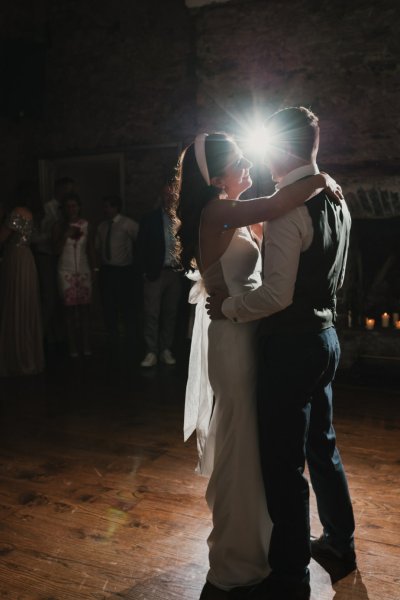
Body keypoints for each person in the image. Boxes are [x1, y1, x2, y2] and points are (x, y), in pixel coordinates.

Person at [172, 131, 343, 600]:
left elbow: (273, 233)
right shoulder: (218, 211)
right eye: (241, 162)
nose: (249, 167)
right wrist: (320, 175)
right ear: (217, 175)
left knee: (255, 441)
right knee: (241, 436)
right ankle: (236, 553)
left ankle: (262, 541)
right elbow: (276, 203)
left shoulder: (237, 218)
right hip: (233, 336)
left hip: (249, 328)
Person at [137, 177, 183, 367]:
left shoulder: (183, 218)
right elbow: (141, 247)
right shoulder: (150, 219)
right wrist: (143, 272)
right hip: (156, 271)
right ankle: (151, 351)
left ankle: (165, 349)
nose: (168, 197)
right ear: (161, 196)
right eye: (165, 194)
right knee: (151, 313)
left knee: (171, 313)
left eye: (171, 194)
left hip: (175, 273)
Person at [0, 182, 44, 377]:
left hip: (16, 258)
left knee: (15, 303)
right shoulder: (32, 213)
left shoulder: (18, 211)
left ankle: (16, 357)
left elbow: (2, 237)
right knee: (25, 305)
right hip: (27, 258)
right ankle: (28, 355)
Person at [32, 176, 76, 351]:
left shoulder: (68, 210)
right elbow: (35, 236)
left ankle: (56, 337)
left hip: (62, 257)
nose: (70, 193)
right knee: (49, 298)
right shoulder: (45, 208)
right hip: (46, 257)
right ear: (59, 189)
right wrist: (52, 237)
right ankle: (38, 338)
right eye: (68, 189)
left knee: (61, 298)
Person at [53, 192, 96, 358]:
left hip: (83, 269)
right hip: (66, 271)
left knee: (85, 309)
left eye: (74, 206)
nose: (72, 209)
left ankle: (86, 346)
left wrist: (94, 269)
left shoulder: (86, 224)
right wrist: (65, 234)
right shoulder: (58, 225)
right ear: (64, 209)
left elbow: (91, 248)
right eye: (68, 206)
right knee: (69, 311)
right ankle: (72, 348)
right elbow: (55, 250)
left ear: (79, 207)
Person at [95, 195, 139, 357]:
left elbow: (139, 241)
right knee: (108, 306)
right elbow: (98, 248)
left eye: (108, 206)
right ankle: (112, 338)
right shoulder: (102, 226)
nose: (105, 210)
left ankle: (130, 340)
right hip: (107, 270)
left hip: (123, 271)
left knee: (126, 306)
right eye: (104, 207)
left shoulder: (128, 224)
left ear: (116, 208)